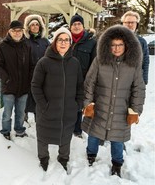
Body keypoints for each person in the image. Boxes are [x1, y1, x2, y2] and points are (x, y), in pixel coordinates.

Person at [81, 25, 146, 177]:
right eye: (113, 45)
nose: (116, 48)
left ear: (126, 45)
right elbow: (89, 83)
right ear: (107, 46)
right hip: (100, 107)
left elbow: (139, 89)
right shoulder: (100, 61)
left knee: (118, 139)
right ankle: (91, 155)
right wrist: (88, 104)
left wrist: (135, 110)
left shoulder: (133, 65)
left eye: (120, 45)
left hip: (121, 110)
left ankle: (117, 163)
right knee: (94, 135)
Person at [31, 27, 84, 172]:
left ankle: (63, 158)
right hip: (47, 109)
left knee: (65, 135)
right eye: (60, 39)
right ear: (54, 42)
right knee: (43, 135)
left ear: (70, 43)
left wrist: (77, 104)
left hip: (68, 110)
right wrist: (44, 105)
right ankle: (43, 158)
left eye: (66, 40)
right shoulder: (44, 62)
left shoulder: (75, 63)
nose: (63, 43)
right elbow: (35, 86)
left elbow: (80, 85)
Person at [0, 20, 33, 140]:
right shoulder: (3, 46)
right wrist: (7, 79)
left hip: (23, 87)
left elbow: (31, 65)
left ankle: (19, 130)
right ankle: (5, 131)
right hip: (9, 87)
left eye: (19, 30)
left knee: (20, 113)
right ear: (9, 32)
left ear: (22, 32)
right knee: (7, 113)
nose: (17, 33)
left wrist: (29, 80)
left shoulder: (27, 46)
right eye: (14, 31)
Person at [69, 14, 97, 138]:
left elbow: (94, 63)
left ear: (83, 26)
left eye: (79, 24)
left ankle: (77, 130)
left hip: (83, 80)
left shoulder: (91, 42)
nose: (76, 26)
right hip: (66, 79)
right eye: (74, 24)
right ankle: (66, 127)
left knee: (79, 105)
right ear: (70, 27)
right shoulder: (65, 39)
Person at [23, 14, 50, 122]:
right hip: (27, 74)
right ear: (29, 27)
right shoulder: (24, 41)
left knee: (38, 95)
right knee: (26, 96)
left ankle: (38, 117)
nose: (35, 27)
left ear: (40, 27)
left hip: (42, 74)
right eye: (32, 25)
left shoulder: (45, 41)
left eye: (37, 24)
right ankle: (23, 117)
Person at [121, 10, 149, 85]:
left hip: (135, 81)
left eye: (133, 22)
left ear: (137, 24)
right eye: (127, 22)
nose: (130, 25)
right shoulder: (114, 40)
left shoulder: (142, 42)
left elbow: (145, 61)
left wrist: (144, 80)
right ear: (123, 24)